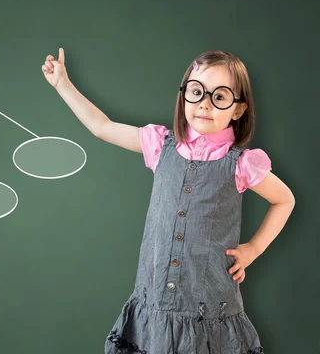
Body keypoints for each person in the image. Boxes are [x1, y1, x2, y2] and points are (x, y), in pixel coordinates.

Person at [41, 48, 295, 353]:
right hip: (155, 299)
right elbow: (103, 128)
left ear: (237, 110)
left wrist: (252, 249)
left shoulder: (241, 163)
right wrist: (62, 84)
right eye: (197, 91)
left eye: (220, 96)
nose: (204, 104)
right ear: (184, 94)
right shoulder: (161, 146)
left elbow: (284, 200)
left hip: (208, 306)